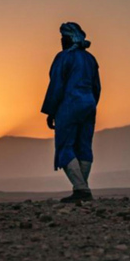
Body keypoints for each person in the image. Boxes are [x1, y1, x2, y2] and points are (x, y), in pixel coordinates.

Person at [41, 22, 101, 203]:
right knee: (84, 146)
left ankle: (81, 189)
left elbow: (56, 85)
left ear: (70, 38)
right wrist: (91, 104)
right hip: (89, 105)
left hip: (69, 105)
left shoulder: (63, 58)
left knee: (65, 146)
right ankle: (82, 189)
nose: (61, 41)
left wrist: (51, 111)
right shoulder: (90, 59)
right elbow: (97, 87)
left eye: (64, 38)